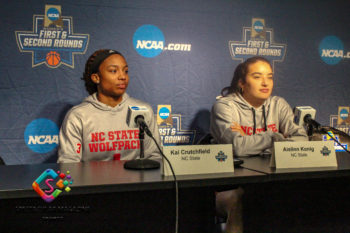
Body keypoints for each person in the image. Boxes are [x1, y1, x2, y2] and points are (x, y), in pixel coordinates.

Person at [210, 56, 307, 233]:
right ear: (241, 82)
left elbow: (301, 139)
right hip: (229, 186)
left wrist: (252, 139)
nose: (265, 83)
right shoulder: (225, 106)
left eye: (269, 76)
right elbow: (236, 147)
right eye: (257, 76)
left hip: (268, 183)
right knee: (239, 199)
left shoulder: (279, 105)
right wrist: (275, 137)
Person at [58, 49, 161, 163]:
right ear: (96, 78)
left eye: (125, 71)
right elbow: (69, 164)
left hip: (136, 180)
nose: (122, 76)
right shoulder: (78, 116)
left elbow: (155, 156)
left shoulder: (143, 110)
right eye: (113, 71)